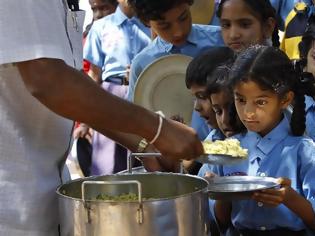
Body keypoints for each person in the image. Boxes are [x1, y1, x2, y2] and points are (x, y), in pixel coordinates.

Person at [0, 1, 203, 235]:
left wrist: (144, 143)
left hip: (42, 194)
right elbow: (47, 79)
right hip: (12, 205)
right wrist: (157, 128)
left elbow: (73, 85)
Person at [210, 45, 315, 235]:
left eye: (260, 102)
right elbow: (220, 223)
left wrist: (289, 198)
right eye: (240, 100)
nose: (248, 112)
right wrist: (220, 192)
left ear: (284, 100)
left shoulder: (304, 152)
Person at [127, 0, 224, 141]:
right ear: (147, 22)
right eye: (164, 26)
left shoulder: (220, 40)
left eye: (183, 17)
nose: (178, 32)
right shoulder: (143, 63)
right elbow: (137, 120)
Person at [79, 0, 151, 175]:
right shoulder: (100, 28)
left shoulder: (151, 25)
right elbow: (94, 77)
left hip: (144, 93)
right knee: (107, 164)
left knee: (146, 156)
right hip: (111, 94)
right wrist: (86, 121)